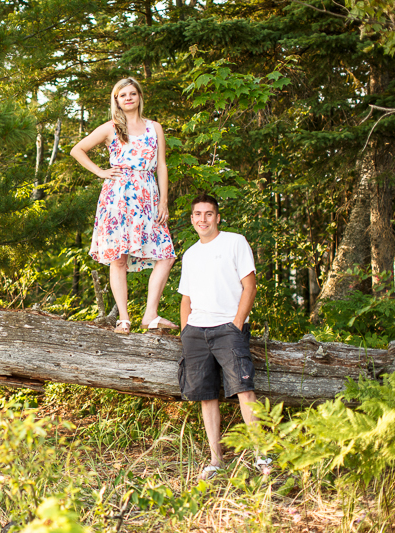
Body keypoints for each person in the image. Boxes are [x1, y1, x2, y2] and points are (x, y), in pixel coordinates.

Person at [70, 77, 177, 334]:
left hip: (148, 195)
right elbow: (77, 150)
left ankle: (150, 313)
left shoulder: (155, 128)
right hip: (117, 196)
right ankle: (124, 318)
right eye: (122, 95)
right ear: (116, 100)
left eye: (132, 93)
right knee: (119, 258)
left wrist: (163, 200)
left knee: (166, 254)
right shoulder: (111, 128)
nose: (128, 98)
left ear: (139, 96)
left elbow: (161, 165)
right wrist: (100, 172)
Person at [178, 192, 271, 480]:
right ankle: (216, 460)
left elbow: (250, 286)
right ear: (192, 219)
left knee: (244, 390)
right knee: (207, 396)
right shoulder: (191, 254)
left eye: (208, 214)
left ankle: (261, 455)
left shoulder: (234, 242)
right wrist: (185, 333)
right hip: (197, 332)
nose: (202, 219)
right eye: (197, 214)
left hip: (228, 329)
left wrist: (236, 324)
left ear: (217, 217)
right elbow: (186, 298)